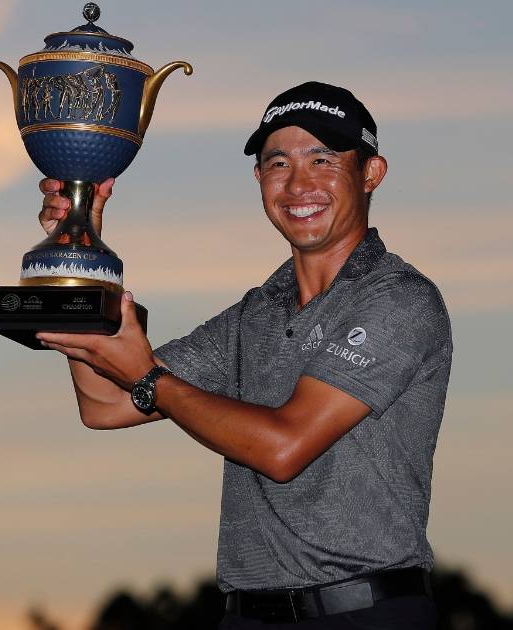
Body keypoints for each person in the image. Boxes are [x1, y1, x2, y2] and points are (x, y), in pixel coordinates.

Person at [36, 81, 452, 629]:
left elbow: (284, 447)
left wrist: (150, 377)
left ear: (371, 173)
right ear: (259, 179)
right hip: (246, 616)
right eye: (278, 164)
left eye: (323, 160)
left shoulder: (400, 299)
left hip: (366, 613)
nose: (298, 184)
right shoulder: (257, 312)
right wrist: (81, 261)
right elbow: (105, 405)